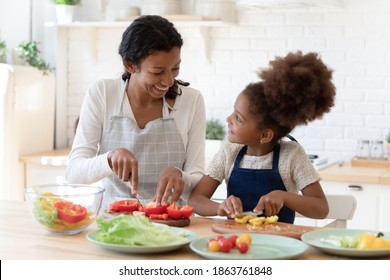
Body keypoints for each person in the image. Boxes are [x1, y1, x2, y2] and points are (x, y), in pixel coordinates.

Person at [65, 15, 206, 208]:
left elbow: (198, 179)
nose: (168, 81)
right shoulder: (103, 93)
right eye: (157, 72)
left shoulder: (192, 100)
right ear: (130, 65)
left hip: (171, 222)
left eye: (175, 68)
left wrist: (182, 176)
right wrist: (109, 159)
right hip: (115, 220)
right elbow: (74, 174)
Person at [188, 51, 336, 224]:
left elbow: (321, 208)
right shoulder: (229, 152)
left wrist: (284, 197)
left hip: (279, 245)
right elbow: (195, 199)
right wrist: (219, 208)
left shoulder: (291, 155)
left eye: (238, 118)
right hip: (237, 243)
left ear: (265, 135)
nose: (228, 119)